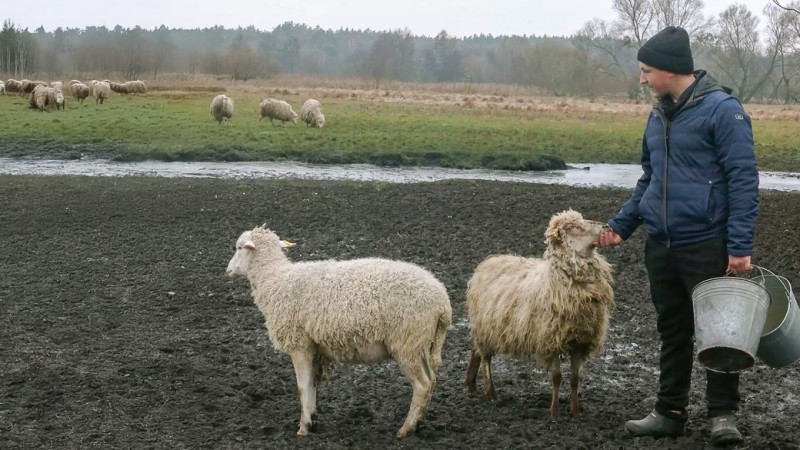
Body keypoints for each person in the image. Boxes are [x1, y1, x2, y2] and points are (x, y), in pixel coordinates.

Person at [596, 26, 759, 446]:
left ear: (670, 70)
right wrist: (620, 226)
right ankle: (669, 412)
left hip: (708, 243)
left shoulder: (724, 112)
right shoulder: (657, 116)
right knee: (672, 330)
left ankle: (722, 417)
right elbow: (649, 180)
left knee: (720, 331)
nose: (643, 78)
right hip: (662, 245)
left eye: (647, 70)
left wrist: (739, 247)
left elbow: (743, 181)